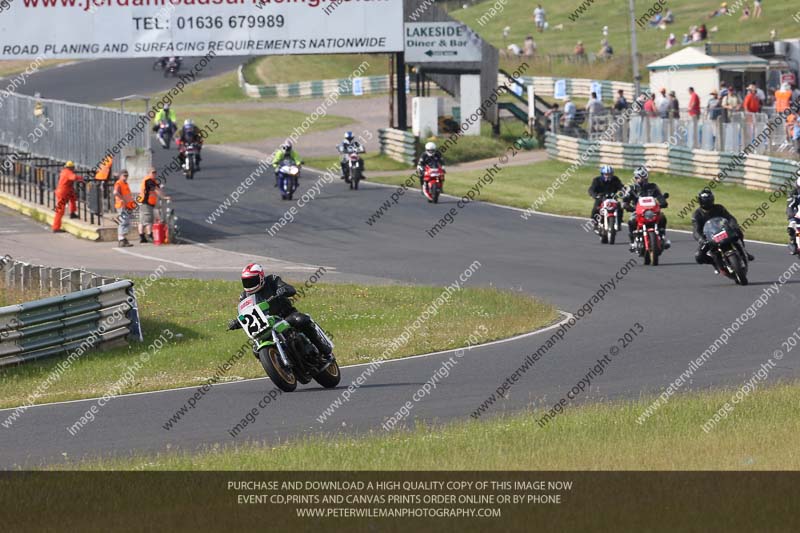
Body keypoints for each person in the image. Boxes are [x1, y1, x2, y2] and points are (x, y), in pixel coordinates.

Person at [227, 263, 333, 359]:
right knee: (256, 351)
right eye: (246, 281)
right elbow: (246, 315)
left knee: (301, 320)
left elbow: (291, 289)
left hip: (286, 316)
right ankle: (279, 364)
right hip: (265, 326)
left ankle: (323, 348)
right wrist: (237, 322)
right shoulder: (244, 296)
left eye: (252, 280)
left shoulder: (271, 280)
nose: (249, 284)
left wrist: (283, 289)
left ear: (261, 277)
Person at [692, 188, 754, 273]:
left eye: (709, 200)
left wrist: (733, 225)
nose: (707, 203)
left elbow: (730, 218)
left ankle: (743, 251)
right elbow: (696, 230)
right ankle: (715, 263)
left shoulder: (719, 208)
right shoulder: (697, 214)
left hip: (723, 231)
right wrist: (701, 239)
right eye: (705, 201)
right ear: (700, 201)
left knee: (737, 232)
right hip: (709, 238)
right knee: (699, 256)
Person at [622, 167, 670, 251]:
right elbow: (625, 200)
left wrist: (663, 202)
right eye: (638, 177)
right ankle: (633, 242)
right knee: (631, 221)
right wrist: (627, 205)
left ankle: (662, 237)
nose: (642, 179)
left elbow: (659, 196)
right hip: (638, 212)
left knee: (662, 218)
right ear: (635, 178)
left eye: (644, 177)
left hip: (652, 211)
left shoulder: (653, 187)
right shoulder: (632, 188)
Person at [587, 165, 624, 231]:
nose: (608, 176)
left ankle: (619, 222)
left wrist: (623, 192)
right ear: (602, 174)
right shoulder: (597, 180)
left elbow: (621, 187)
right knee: (595, 208)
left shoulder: (615, 179)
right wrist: (594, 195)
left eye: (610, 174)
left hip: (612, 198)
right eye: (606, 174)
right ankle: (595, 223)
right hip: (601, 198)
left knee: (619, 207)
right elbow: (591, 189)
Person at [52, 161, 83, 232]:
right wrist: (81, 178)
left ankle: (72, 213)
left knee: (73, 197)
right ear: (71, 168)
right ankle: (56, 228)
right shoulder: (68, 172)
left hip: (66, 190)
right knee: (60, 211)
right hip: (63, 192)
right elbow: (73, 177)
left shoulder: (64, 171)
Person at [113, 169, 136, 248]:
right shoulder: (119, 183)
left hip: (127, 206)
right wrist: (122, 199)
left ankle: (123, 239)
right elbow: (115, 192)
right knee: (123, 222)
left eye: (127, 176)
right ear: (120, 176)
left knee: (126, 223)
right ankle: (121, 240)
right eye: (124, 175)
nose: (126, 177)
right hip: (122, 206)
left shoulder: (125, 184)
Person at [137, 167, 160, 244]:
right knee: (148, 220)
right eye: (153, 172)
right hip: (146, 203)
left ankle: (142, 237)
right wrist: (164, 196)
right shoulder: (148, 180)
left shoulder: (152, 181)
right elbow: (156, 189)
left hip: (146, 202)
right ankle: (149, 235)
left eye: (155, 172)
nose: (154, 174)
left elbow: (158, 188)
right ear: (149, 173)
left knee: (142, 220)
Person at [785, 177, 800, 255]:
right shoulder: (793, 194)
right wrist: (792, 217)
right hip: (794, 213)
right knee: (792, 227)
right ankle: (793, 242)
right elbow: (789, 206)